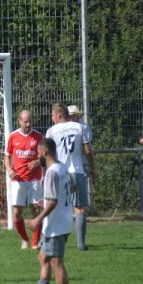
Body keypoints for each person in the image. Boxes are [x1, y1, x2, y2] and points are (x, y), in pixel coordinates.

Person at [26, 137, 74, 284]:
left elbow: (53, 201)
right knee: (43, 258)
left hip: (56, 225)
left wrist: (38, 218)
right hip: (64, 220)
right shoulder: (62, 167)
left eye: (38, 152)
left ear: (45, 151)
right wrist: (45, 199)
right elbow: (72, 188)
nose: (37, 155)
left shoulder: (52, 172)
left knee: (56, 262)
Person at [46, 103, 95, 251]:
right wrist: (93, 168)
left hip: (59, 172)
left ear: (59, 115)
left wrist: (46, 173)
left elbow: (48, 154)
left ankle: (47, 241)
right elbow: (87, 151)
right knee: (79, 208)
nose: (52, 118)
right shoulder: (80, 127)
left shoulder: (52, 131)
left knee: (54, 205)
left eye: (53, 115)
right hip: (77, 171)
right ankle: (81, 244)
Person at [5, 110, 43, 250]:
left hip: (34, 178)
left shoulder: (38, 136)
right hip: (18, 179)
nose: (28, 124)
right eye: (25, 121)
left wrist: (39, 161)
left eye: (30, 121)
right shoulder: (13, 136)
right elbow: (7, 156)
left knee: (36, 209)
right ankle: (24, 239)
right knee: (17, 212)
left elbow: (45, 156)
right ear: (19, 121)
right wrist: (9, 170)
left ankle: (35, 242)